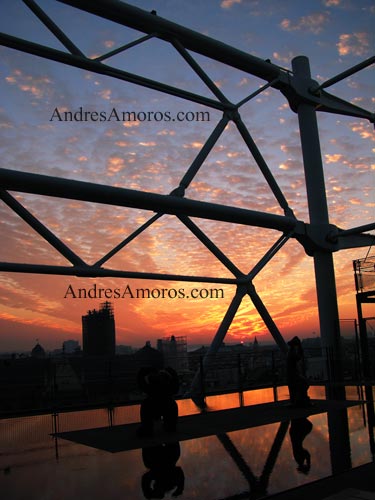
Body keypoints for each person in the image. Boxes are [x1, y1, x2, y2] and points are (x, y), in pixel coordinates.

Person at [137, 366, 179, 437]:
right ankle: (170, 426)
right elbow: (175, 386)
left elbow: (140, 381)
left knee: (145, 406)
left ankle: (147, 428)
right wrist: (169, 370)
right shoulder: (169, 390)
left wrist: (147, 370)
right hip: (168, 405)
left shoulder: (150, 390)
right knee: (172, 409)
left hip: (152, 406)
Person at [286, 336, 310, 407]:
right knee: (305, 383)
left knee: (302, 384)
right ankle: (301, 399)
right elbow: (299, 357)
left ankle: (298, 400)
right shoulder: (292, 353)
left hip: (291, 375)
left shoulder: (290, 352)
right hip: (293, 375)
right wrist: (300, 349)